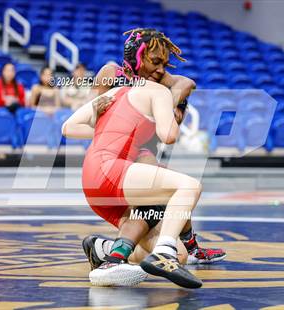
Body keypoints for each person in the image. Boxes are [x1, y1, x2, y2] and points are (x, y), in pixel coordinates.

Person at [80, 29, 225, 279]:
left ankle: (105, 251)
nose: (160, 70)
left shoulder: (156, 79)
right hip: (114, 157)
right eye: (155, 61)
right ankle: (190, 247)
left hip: (134, 156)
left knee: (172, 248)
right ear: (137, 58)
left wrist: (171, 102)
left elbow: (186, 82)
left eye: (164, 64)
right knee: (165, 189)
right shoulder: (111, 73)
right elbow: (90, 120)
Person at [62, 80, 203, 289]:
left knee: (179, 254)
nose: (178, 118)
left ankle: (105, 249)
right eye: (178, 110)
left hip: (110, 182)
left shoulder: (147, 117)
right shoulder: (147, 100)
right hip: (111, 174)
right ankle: (115, 261)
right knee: (162, 200)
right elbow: (186, 83)